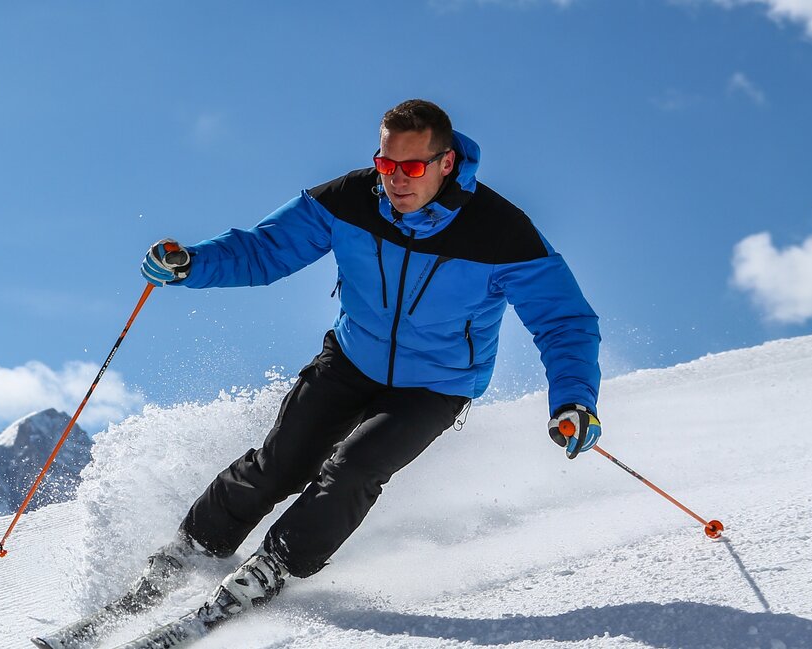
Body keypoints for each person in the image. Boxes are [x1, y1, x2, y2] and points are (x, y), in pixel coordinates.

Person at [139, 99, 603, 613]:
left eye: (411, 167)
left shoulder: (502, 233)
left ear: (446, 163)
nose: (396, 180)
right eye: (386, 165)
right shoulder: (349, 199)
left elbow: (564, 321)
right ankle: (190, 552)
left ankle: (272, 568)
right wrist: (191, 264)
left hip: (435, 385)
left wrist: (574, 398)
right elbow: (265, 249)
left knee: (354, 469)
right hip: (351, 358)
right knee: (280, 465)